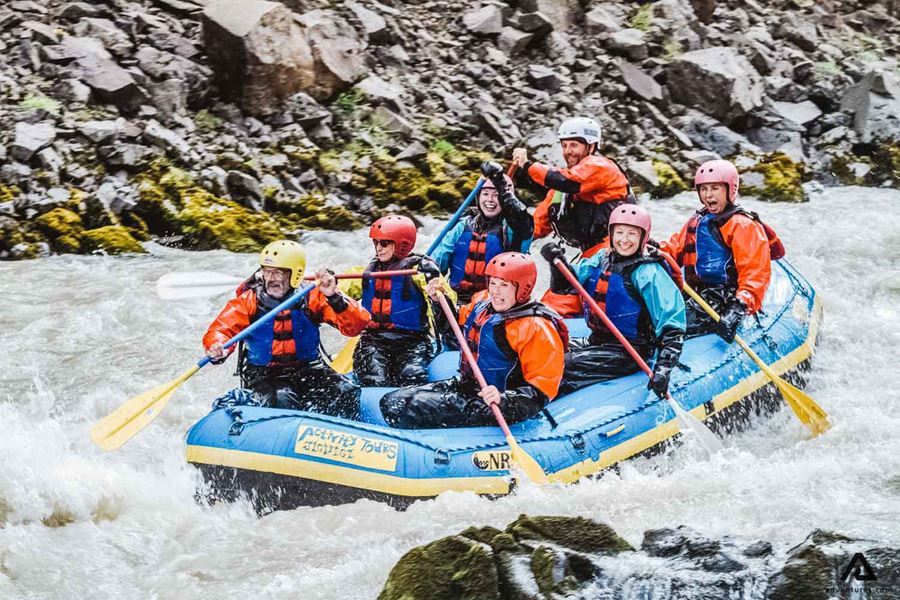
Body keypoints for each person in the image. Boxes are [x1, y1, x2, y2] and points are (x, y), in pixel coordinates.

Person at [380, 252, 568, 429]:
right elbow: (453, 328)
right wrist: (439, 301)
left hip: (497, 402)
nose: (495, 291)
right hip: (467, 386)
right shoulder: (483, 302)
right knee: (392, 401)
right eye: (493, 283)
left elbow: (541, 389)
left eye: (504, 285)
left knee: (402, 409)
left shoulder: (535, 327)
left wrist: (505, 399)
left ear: (523, 288)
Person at [203, 240, 370, 418]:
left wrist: (333, 296)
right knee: (282, 400)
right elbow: (221, 329)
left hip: (309, 369)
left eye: (277, 272)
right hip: (264, 375)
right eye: (267, 272)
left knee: (346, 391)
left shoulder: (314, 295)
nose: (271, 279)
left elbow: (357, 326)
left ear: (295, 274)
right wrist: (217, 345)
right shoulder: (248, 301)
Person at [543, 205, 686, 398]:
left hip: (629, 350)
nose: (624, 240)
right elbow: (565, 284)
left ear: (643, 237)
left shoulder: (648, 272)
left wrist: (664, 367)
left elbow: (672, 325)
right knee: (543, 352)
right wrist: (556, 260)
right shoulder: (602, 258)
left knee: (562, 365)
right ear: (610, 233)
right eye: (619, 232)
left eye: (632, 234)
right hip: (597, 340)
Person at [511, 117, 636, 316]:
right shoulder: (559, 192)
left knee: (565, 303)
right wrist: (507, 212)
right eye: (565, 145)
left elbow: (568, 180)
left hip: (616, 251)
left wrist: (527, 166)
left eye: (574, 145)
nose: (568, 151)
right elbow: (535, 226)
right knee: (550, 303)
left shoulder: (601, 166)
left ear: (591, 146)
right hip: (588, 255)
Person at [660, 159, 783, 341]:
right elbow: (674, 248)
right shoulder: (699, 219)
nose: (708, 195)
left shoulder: (742, 225)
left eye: (715, 188)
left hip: (725, 300)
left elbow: (754, 273)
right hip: (699, 296)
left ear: (730, 190)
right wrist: (651, 250)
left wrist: (739, 306)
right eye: (703, 189)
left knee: (668, 326)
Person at [353, 214, 445, 386]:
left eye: (384, 243)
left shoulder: (419, 272)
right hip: (374, 340)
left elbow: (446, 298)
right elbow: (343, 288)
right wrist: (329, 283)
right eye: (376, 243)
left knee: (412, 377)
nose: (378, 248)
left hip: (412, 341)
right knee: (374, 378)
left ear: (402, 244)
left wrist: (437, 293)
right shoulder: (369, 270)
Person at [431, 161, 533, 306]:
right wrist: (428, 270)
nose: (490, 200)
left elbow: (521, 219)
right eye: (485, 194)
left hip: (496, 303)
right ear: (478, 197)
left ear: (505, 198)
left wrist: (500, 182)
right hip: (457, 301)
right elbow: (437, 260)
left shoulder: (512, 229)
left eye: (496, 195)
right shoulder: (462, 226)